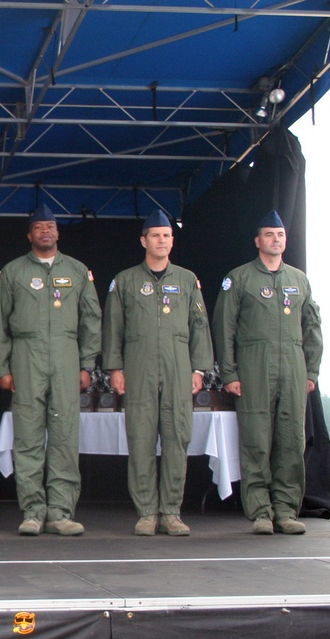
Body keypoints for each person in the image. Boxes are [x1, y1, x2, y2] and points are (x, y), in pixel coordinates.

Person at [0, 204, 101, 536]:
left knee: (65, 435)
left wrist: (86, 364)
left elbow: (92, 319)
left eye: (50, 226)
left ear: (58, 232)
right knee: (28, 438)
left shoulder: (79, 271)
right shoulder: (12, 272)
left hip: (66, 355)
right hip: (26, 355)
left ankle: (61, 512)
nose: (45, 231)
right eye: (39, 227)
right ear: (29, 235)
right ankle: (33, 512)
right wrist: (2, 368)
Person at [102, 209, 214, 536]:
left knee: (177, 438)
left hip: (179, 368)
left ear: (172, 241)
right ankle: (147, 512)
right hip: (139, 368)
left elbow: (199, 326)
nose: (161, 240)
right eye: (155, 235)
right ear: (144, 241)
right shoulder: (125, 281)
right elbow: (114, 328)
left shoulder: (187, 280)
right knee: (140, 439)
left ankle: (172, 512)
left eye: (166, 235)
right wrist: (115, 368)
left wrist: (199, 369)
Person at [212, 210, 323, 535]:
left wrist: (311, 370)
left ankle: (286, 510)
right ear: (258, 241)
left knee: (291, 442)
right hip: (253, 366)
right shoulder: (240, 278)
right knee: (256, 441)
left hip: (292, 366)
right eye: (270, 235)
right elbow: (224, 327)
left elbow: (312, 327)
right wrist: (229, 373)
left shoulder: (298, 280)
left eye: (281, 235)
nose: (276, 240)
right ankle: (260, 512)